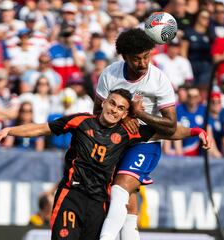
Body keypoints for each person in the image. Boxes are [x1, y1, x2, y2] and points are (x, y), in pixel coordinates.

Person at [0, 89, 209, 240]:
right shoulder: (81, 121)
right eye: (112, 103)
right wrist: (9, 130)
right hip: (71, 195)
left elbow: (167, 131)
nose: (114, 110)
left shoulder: (128, 132)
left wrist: (197, 131)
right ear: (103, 103)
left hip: (99, 202)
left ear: (125, 114)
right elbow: (42, 128)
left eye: (121, 108)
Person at [93, 28, 175, 240]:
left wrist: (140, 114)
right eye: (137, 59)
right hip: (117, 142)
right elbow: (96, 112)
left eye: (147, 56)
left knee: (120, 189)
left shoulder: (159, 80)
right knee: (126, 203)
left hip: (146, 143)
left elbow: (171, 126)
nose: (143, 63)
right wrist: (124, 117)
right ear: (125, 57)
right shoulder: (110, 74)